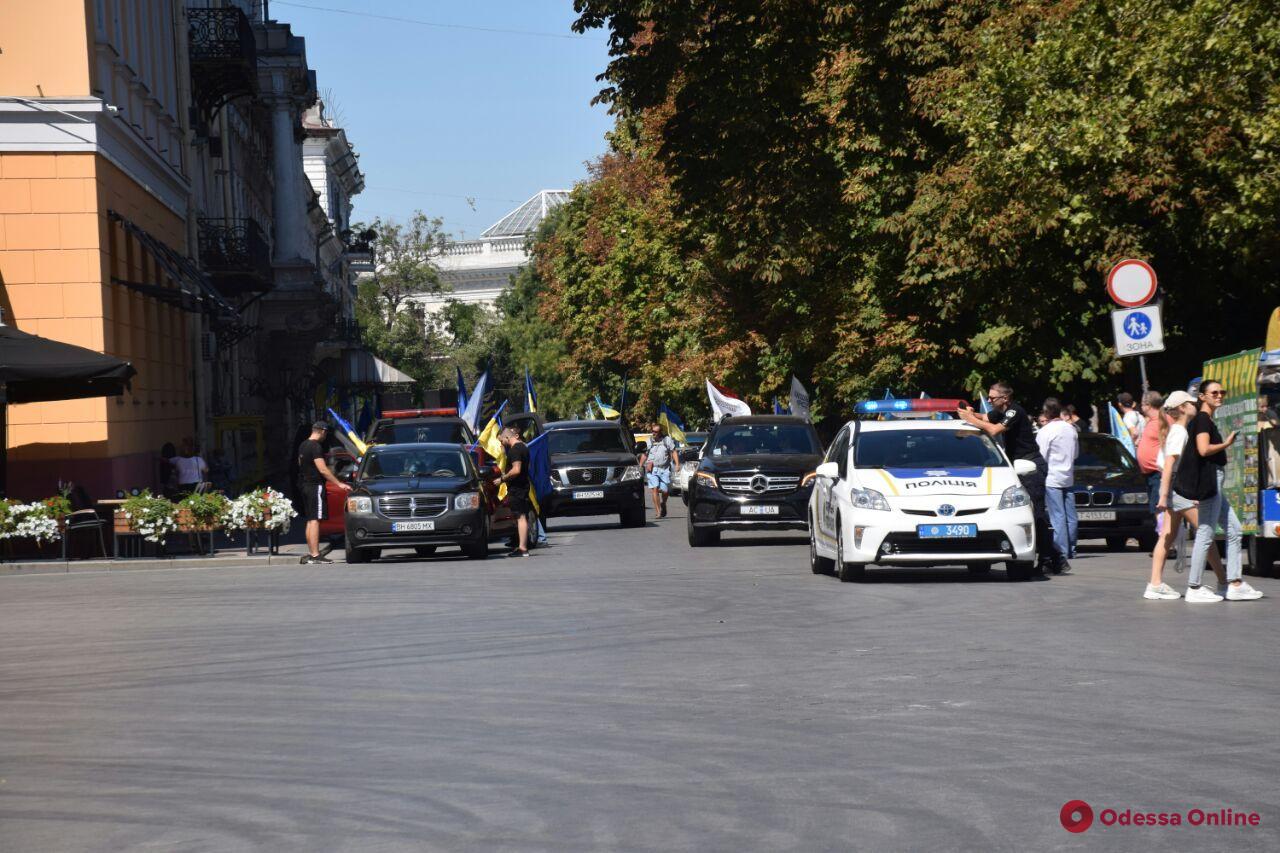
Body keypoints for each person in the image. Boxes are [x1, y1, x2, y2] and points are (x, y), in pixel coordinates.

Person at [1178, 380, 1263, 601]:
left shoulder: (1204, 420)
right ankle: (1194, 587)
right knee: (1206, 532)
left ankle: (1234, 583)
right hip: (1210, 480)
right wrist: (1226, 444)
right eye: (1214, 393)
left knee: (1234, 530)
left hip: (1214, 480)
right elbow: (1203, 449)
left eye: (1222, 392)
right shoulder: (1203, 420)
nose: (1219, 395)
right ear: (1202, 397)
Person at [958, 382, 1054, 574]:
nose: (989, 400)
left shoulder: (1014, 411)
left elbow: (994, 430)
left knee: (1035, 514)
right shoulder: (1000, 411)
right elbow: (985, 417)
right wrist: (968, 414)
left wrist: (971, 419)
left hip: (1031, 466)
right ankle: (1054, 558)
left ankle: (1049, 559)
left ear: (1006, 398)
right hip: (1016, 465)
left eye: (992, 398)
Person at [1146, 391, 1198, 599]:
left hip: (1174, 487)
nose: (1195, 405)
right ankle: (1222, 582)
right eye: (1191, 402)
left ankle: (1155, 584)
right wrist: (1163, 494)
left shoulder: (1176, 430)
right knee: (1204, 531)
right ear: (1183, 408)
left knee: (1167, 535)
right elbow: (1168, 465)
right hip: (1178, 487)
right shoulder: (1179, 432)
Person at [297, 421, 350, 564]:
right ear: (321, 431)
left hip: (305, 485)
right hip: (315, 486)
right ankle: (315, 555)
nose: (325, 436)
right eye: (325, 433)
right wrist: (339, 483)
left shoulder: (303, 445)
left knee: (310, 520)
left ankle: (311, 553)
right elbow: (323, 469)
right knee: (315, 520)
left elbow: (300, 465)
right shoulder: (316, 446)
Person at [1036, 398, 1078, 572]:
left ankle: (1061, 551)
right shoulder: (1071, 429)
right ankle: (1072, 548)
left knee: (1057, 516)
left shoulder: (1046, 431)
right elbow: (1075, 454)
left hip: (1052, 477)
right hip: (1068, 475)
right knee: (1071, 515)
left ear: (1047, 413)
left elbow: (1041, 456)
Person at [498, 425, 531, 557]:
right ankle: (521, 546)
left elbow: (516, 469)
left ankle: (522, 548)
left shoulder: (515, 450)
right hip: (522, 486)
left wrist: (502, 479)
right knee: (521, 517)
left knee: (521, 517)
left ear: (507, 437)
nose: (502, 443)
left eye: (502, 441)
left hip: (517, 488)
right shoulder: (523, 447)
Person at [1135, 391, 1166, 522]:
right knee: (1156, 508)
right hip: (1150, 474)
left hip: (1158, 473)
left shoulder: (1163, 420)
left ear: (1147, 405)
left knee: (1159, 508)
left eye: (1142, 404)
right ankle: (1163, 538)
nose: (1141, 407)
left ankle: (1164, 539)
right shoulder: (1152, 421)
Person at [642, 422, 680, 519]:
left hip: (664, 469)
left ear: (660, 432)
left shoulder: (667, 440)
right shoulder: (649, 441)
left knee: (665, 490)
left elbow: (674, 451)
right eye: (652, 431)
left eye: (656, 432)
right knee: (655, 488)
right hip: (653, 469)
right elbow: (644, 454)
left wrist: (677, 464)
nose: (653, 433)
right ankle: (658, 511)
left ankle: (663, 503)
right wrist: (640, 465)